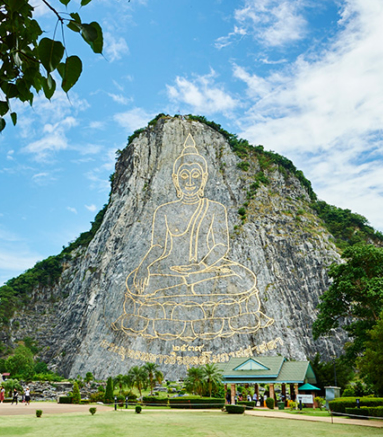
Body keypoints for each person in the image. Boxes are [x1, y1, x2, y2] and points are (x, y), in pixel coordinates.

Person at [115, 135, 273, 341]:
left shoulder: (215, 208)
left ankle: (187, 289)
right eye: (184, 175)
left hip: (206, 270)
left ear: (204, 178)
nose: (190, 181)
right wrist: (144, 266)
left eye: (195, 175)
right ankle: (187, 290)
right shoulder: (164, 211)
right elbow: (159, 246)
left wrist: (201, 267)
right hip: (171, 270)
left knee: (242, 280)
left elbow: (221, 245)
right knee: (143, 281)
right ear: (175, 179)